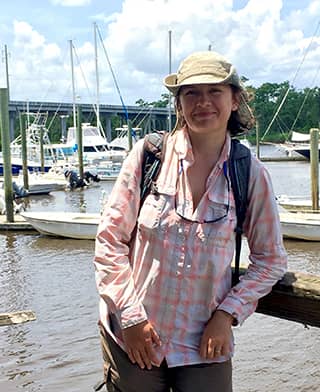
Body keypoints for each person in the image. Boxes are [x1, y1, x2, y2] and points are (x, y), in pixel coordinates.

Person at [94, 51, 287, 392]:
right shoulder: (149, 155)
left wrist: (227, 314)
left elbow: (270, 261)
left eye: (215, 91)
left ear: (234, 99)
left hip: (204, 342)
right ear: (179, 103)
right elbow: (110, 240)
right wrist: (130, 316)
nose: (203, 103)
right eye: (191, 93)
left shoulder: (249, 173)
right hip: (134, 336)